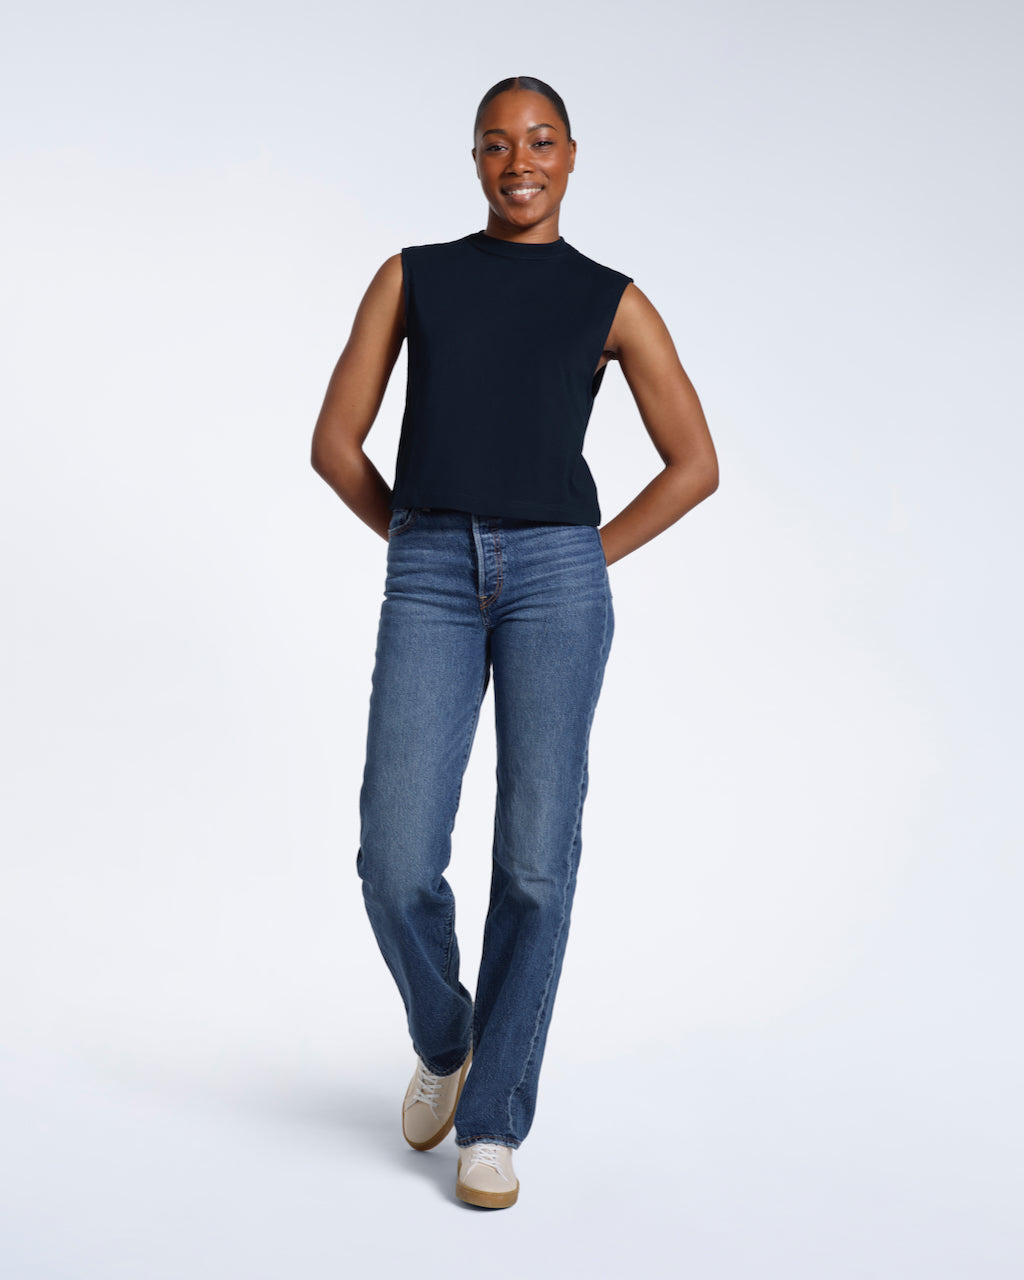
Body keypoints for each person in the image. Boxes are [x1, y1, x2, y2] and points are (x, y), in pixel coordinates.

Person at [310, 75, 718, 1209]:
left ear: (573, 155)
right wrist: (419, 538)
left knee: (537, 861)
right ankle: (448, 1038)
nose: (519, 161)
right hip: (430, 572)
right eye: (497, 143)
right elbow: (334, 443)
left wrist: (584, 559)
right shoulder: (414, 276)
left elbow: (695, 463)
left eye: (540, 141)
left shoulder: (611, 299)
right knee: (394, 856)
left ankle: (491, 1122)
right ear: (476, 160)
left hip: (557, 580)